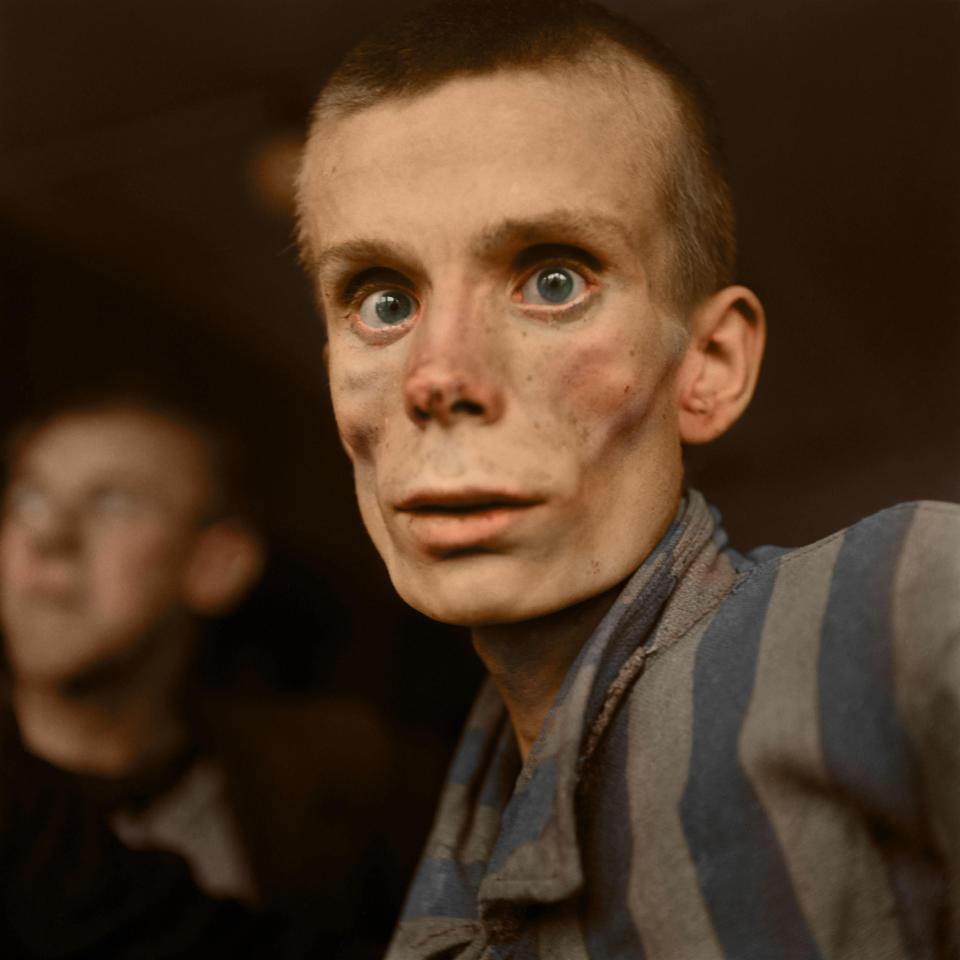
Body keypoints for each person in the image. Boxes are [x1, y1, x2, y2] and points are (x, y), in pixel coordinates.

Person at [292, 0, 960, 957]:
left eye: (553, 280)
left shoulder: (906, 607)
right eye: (383, 300)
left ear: (709, 365)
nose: (439, 377)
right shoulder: (440, 860)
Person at [0, 392, 400, 957]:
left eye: (114, 504)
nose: (48, 540)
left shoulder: (332, 797)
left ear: (215, 565)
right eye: (29, 498)